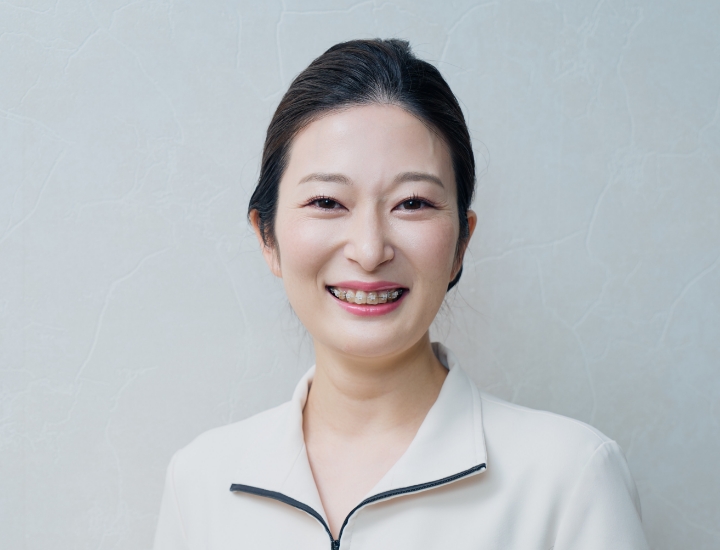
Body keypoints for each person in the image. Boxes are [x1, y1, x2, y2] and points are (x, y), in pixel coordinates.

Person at [153, 39, 649, 550]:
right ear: (267, 237)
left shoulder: (570, 478)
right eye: (327, 201)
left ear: (461, 244)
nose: (370, 251)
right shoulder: (200, 483)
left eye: (412, 203)